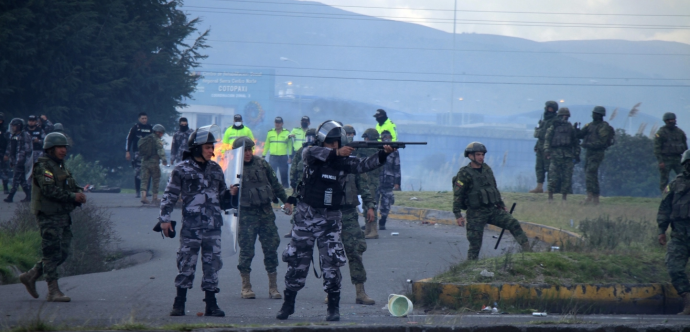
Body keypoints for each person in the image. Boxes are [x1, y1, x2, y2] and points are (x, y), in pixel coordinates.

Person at [276, 120, 395, 322]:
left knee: (332, 264)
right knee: (297, 263)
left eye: (336, 143)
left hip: (330, 220)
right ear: (323, 143)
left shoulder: (344, 162)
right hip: (306, 219)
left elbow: (364, 165)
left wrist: (384, 154)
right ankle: (288, 305)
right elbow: (311, 152)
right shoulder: (312, 155)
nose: (334, 146)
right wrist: (336, 153)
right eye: (330, 143)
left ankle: (333, 307)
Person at [158, 125, 232, 317]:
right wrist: (165, 219)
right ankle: (179, 302)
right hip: (192, 226)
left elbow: (223, 197)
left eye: (211, 147)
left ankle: (211, 304)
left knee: (212, 264)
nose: (211, 150)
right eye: (208, 147)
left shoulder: (216, 169)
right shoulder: (181, 169)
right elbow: (170, 195)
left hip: (213, 227)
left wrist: (232, 194)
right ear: (197, 147)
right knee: (186, 263)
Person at [19, 132, 86, 302]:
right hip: (48, 215)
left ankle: (31, 275)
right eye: (59, 147)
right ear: (50, 149)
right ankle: (53, 291)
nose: (63, 150)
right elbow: (49, 190)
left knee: (62, 253)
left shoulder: (60, 166)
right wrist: (72, 197)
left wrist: (79, 192)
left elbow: (71, 184)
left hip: (62, 215)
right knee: (51, 253)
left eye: (64, 147)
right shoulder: (44, 167)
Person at [232, 136, 293, 300]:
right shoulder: (232, 168)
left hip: (265, 213)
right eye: (244, 150)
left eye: (250, 149)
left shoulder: (262, 164)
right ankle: (246, 286)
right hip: (246, 215)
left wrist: (286, 202)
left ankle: (273, 287)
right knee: (246, 251)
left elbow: (275, 184)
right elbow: (224, 194)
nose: (248, 153)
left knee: (271, 248)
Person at [453, 142, 531, 260]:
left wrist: (501, 205)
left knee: (513, 223)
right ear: (470, 156)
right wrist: (458, 215)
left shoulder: (487, 169)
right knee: (475, 244)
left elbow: (494, 188)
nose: (481, 157)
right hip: (475, 213)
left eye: (482, 155)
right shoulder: (464, 173)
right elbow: (458, 195)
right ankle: (469, 270)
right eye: (478, 154)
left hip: (492, 210)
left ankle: (529, 251)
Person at [338, 126, 377, 305]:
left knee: (356, 252)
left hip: (349, 214)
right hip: (329, 215)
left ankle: (360, 292)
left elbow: (364, 186)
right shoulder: (325, 164)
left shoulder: (354, 164)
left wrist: (369, 206)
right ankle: (331, 290)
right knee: (331, 255)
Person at [657, 149, 690, 315]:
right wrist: (662, 230)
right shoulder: (676, 184)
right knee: (674, 267)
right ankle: (688, 302)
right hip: (680, 235)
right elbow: (665, 207)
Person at [576, 106, 615, 205]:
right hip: (589, 152)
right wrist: (576, 130)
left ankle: (591, 197)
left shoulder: (603, 126)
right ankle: (594, 198)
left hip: (597, 153)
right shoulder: (590, 125)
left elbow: (602, 142)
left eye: (595, 113)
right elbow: (581, 134)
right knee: (590, 174)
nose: (593, 115)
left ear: (599, 115)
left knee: (590, 173)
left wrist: (588, 145)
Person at [543, 108, 579, 201]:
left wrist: (576, 154)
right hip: (555, 155)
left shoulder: (570, 128)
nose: (565, 118)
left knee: (567, 178)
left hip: (567, 156)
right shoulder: (553, 127)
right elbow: (547, 140)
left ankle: (564, 197)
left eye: (566, 116)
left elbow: (576, 142)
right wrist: (547, 151)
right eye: (563, 116)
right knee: (553, 177)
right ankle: (550, 197)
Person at [286, 128, 317, 238]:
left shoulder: (320, 150)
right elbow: (294, 166)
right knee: (297, 206)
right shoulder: (301, 151)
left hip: (315, 185)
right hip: (301, 184)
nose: (310, 140)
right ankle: (294, 228)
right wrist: (292, 181)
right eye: (308, 137)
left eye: (312, 137)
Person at [529, 101, 559, 194]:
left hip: (549, 147)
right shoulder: (543, 121)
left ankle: (550, 188)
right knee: (539, 167)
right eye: (547, 107)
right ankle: (539, 187)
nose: (547, 109)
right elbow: (538, 135)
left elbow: (547, 134)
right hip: (540, 146)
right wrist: (537, 145)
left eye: (549, 108)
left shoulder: (555, 121)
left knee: (549, 167)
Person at [357, 128, 382, 239]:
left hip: (371, 180)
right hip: (368, 179)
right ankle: (368, 229)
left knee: (370, 204)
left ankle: (373, 230)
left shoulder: (374, 149)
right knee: (366, 204)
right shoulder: (373, 149)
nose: (365, 140)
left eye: (366, 138)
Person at [654, 112, 687, 192]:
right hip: (665, 159)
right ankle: (665, 196)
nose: (672, 121)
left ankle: (684, 193)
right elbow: (657, 148)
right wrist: (660, 161)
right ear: (666, 121)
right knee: (664, 179)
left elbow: (685, 146)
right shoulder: (661, 133)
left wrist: (686, 160)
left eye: (673, 120)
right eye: (669, 120)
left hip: (678, 159)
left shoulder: (680, 132)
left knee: (684, 176)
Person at [138, 124, 168, 204]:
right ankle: (155, 198)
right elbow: (160, 150)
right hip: (154, 162)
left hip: (144, 161)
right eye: (161, 133)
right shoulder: (157, 140)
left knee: (144, 180)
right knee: (156, 179)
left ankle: (143, 197)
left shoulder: (146, 138)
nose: (161, 135)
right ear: (159, 132)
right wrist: (164, 159)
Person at [376, 130, 400, 230]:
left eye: (388, 137)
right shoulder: (376, 148)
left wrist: (397, 182)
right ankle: (370, 222)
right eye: (384, 137)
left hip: (388, 180)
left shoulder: (394, 151)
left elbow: (397, 167)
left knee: (386, 202)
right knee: (373, 202)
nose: (386, 139)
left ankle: (383, 221)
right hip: (377, 179)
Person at [4, 118, 32, 203]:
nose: (12, 128)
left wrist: (24, 160)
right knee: (22, 180)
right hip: (16, 160)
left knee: (16, 179)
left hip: (21, 161)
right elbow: (11, 148)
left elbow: (28, 149)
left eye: (14, 126)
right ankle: (28, 196)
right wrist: (9, 158)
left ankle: (10, 196)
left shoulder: (25, 135)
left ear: (19, 126)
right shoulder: (13, 136)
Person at [125, 112, 153, 198]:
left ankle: (146, 191)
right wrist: (127, 151)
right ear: (139, 119)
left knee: (148, 172)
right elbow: (129, 140)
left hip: (149, 153)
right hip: (138, 153)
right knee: (137, 172)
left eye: (145, 118)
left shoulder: (150, 128)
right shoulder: (135, 128)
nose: (144, 120)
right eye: (142, 118)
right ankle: (137, 191)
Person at [263, 117, 291, 188]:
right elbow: (267, 145)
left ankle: (285, 190)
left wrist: (290, 156)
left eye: (279, 123)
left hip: (283, 157)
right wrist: (263, 155)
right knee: (271, 175)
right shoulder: (270, 132)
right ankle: (271, 189)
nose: (277, 124)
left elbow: (290, 146)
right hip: (273, 157)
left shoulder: (287, 133)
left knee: (284, 175)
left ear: (282, 123)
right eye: (276, 122)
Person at [0, 113, 10, 194]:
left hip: (3, 152)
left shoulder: (6, 131)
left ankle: (6, 188)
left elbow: (9, 143)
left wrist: (7, 154)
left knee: (4, 171)